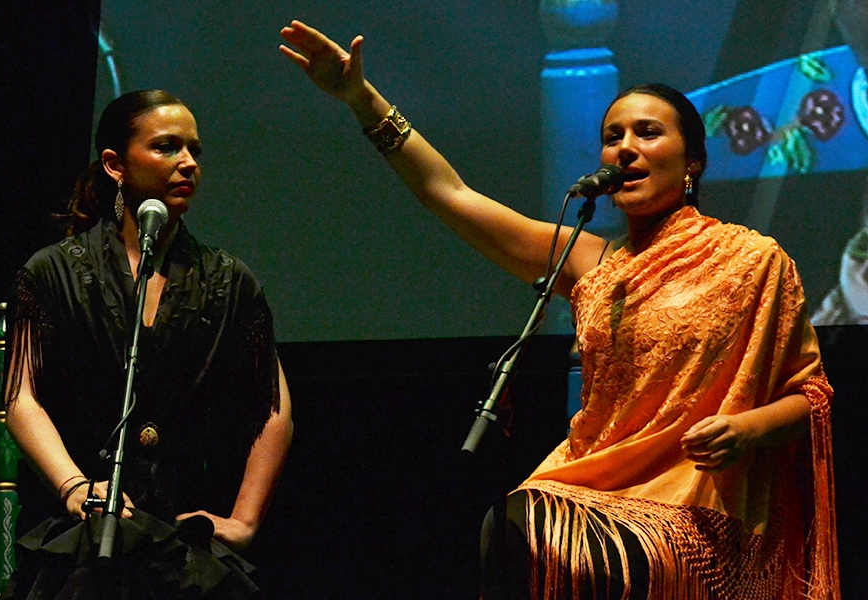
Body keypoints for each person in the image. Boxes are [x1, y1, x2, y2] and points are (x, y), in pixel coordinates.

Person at [279, 21, 838, 600]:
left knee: (585, 546)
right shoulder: (589, 258)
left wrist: (746, 429)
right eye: (612, 135)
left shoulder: (752, 259)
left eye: (648, 133)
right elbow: (450, 194)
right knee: (514, 523)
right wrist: (361, 100)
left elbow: (811, 394)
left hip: (696, 500)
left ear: (693, 161)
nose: (625, 148)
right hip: (594, 481)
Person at [2, 90, 293, 599]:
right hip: (83, 543)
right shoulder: (53, 271)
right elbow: (20, 396)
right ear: (114, 164)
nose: (187, 163)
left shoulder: (227, 279)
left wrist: (245, 519)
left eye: (194, 151)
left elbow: (274, 408)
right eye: (166, 147)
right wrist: (73, 486)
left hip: (184, 544)